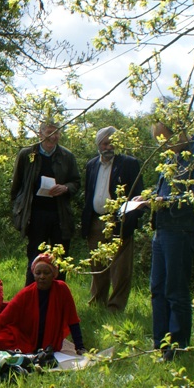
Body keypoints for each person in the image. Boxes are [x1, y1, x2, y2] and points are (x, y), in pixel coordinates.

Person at [148, 118, 194, 359]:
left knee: (174, 290)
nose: (163, 145)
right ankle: (160, 344)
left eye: (165, 139)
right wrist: (148, 198)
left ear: (179, 131)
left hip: (183, 230)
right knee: (157, 289)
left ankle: (177, 348)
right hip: (163, 228)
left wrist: (163, 202)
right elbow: (167, 190)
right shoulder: (172, 156)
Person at [81, 126, 145, 313]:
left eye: (112, 143)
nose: (109, 147)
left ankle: (115, 307)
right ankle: (97, 302)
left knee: (120, 268)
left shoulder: (129, 163)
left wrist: (130, 220)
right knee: (97, 264)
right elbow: (88, 193)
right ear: (98, 144)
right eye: (105, 143)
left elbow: (138, 193)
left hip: (120, 221)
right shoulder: (91, 165)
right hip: (95, 220)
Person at [10, 121, 81, 283]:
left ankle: (58, 300)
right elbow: (17, 186)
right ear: (40, 134)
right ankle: (31, 299)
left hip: (60, 215)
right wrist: (17, 211)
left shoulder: (67, 156)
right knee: (34, 259)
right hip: (35, 215)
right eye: (49, 132)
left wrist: (65, 188)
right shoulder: (27, 154)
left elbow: (76, 182)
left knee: (60, 260)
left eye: (56, 133)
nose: (53, 136)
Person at [0, 253, 85, 355]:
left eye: (46, 273)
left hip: (50, 341)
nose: (42, 277)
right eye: (38, 273)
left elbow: (73, 319)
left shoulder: (62, 289)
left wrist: (79, 346)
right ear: (33, 274)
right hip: (26, 337)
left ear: (53, 274)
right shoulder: (26, 293)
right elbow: (4, 317)